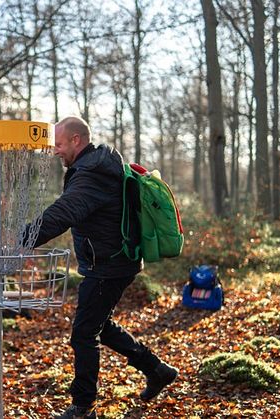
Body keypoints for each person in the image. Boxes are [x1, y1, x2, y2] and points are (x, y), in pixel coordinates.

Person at [29, 117, 177, 419]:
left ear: (75, 140)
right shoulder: (93, 167)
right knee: (101, 327)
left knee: (83, 334)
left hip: (108, 265)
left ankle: (83, 407)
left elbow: (66, 210)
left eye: (58, 144)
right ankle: (157, 370)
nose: (55, 151)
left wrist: (26, 237)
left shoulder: (93, 174)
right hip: (113, 261)